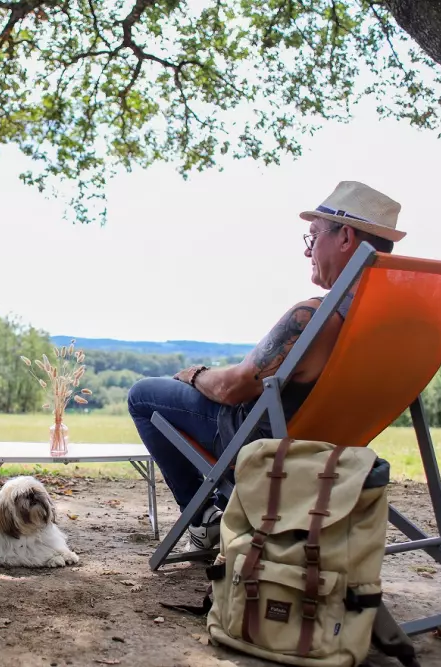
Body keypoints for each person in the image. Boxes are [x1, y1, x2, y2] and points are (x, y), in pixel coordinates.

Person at [127, 181, 406, 551]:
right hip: (340, 448)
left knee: (142, 395)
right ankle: (217, 512)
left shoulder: (314, 317)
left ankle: (203, 519)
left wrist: (195, 375)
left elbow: (233, 388)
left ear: (346, 237)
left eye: (313, 237)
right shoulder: (400, 325)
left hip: (265, 445)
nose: (309, 251)